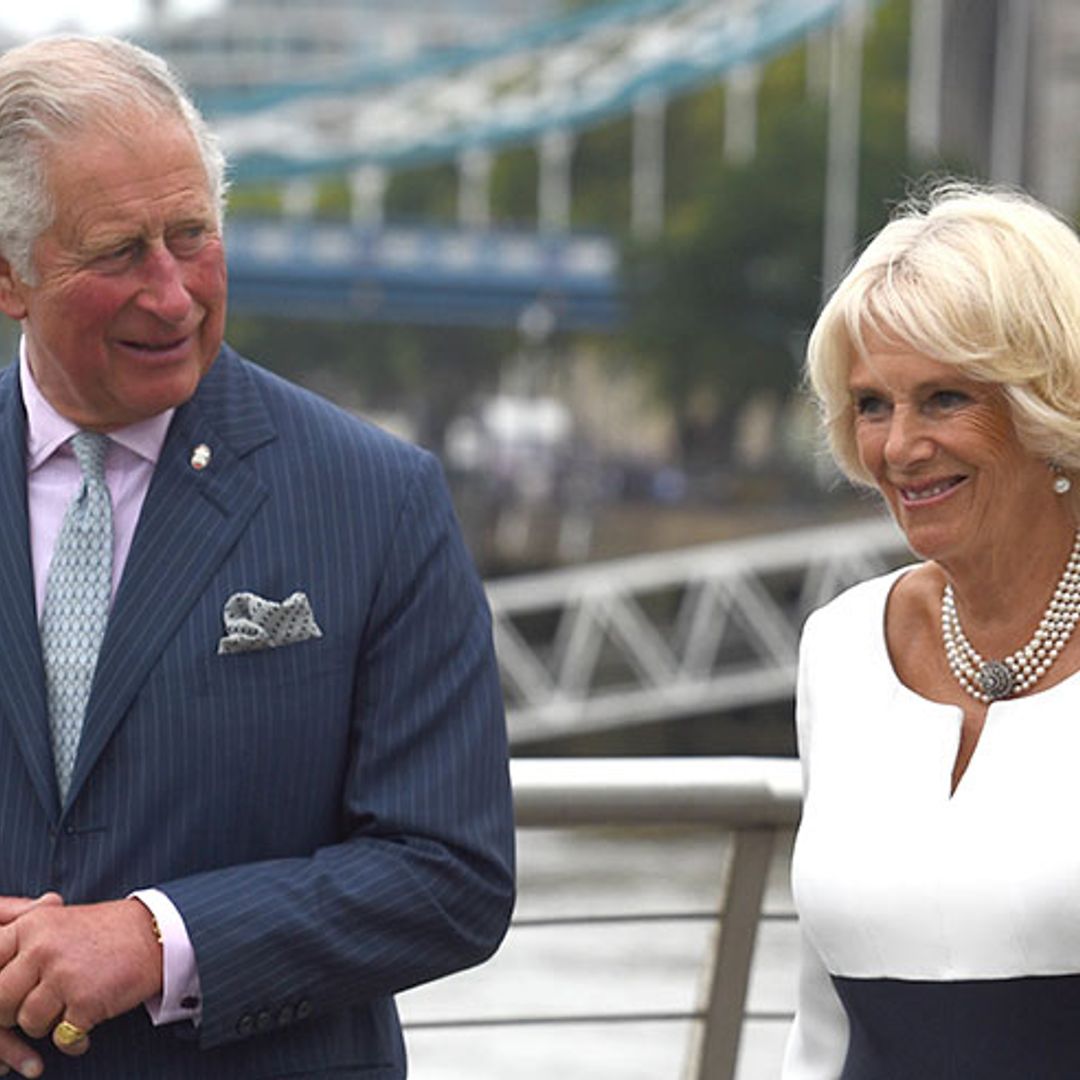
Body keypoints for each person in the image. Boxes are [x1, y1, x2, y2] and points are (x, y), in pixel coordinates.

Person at [0, 33, 515, 1079]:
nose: (173, 293)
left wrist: (158, 940)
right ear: (9, 276)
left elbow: (451, 872)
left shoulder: (378, 499)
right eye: (117, 254)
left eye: (192, 234)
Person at [783, 180, 1080, 1078]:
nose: (900, 447)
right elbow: (817, 1025)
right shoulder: (838, 649)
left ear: (1049, 398)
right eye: (873, 404)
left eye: (945, 398)